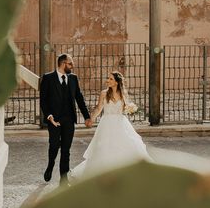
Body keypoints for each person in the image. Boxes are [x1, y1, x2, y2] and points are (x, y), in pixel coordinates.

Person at [69, 71, 151, 182]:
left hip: (120, 123)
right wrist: (91, 119)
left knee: (124, 147)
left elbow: (124, 108)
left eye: (111, 79)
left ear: (117, 82)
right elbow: (99, 109)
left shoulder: (123, 94)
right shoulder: (104, 93)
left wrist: (131, 109)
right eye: (108, 78)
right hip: (106, 124)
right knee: (104, 148)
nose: (108, 80)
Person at [40, 53, 92, 185]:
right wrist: (49, 116)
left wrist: (87, 116)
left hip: (69, 119)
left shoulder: (73, 78)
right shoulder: (48, 78)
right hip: (54, 120)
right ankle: (50, 165)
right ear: (63, 64)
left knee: (66, 149)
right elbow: (43, 101)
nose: (72, 66)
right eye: (70, 64)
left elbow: (79, 98)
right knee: (54, 145)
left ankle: (64, 178)